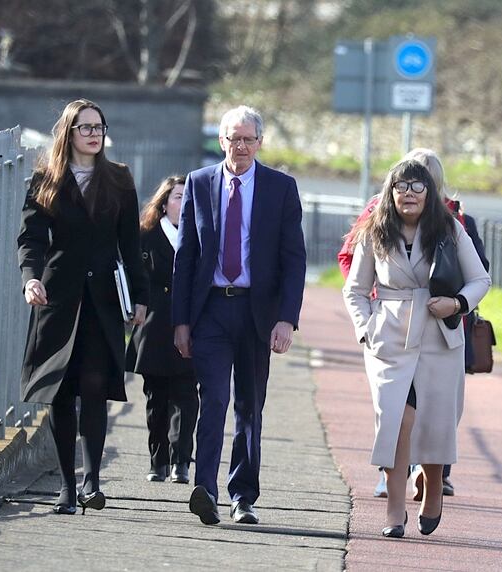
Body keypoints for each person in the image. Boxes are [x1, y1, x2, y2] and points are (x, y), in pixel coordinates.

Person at [172, 105, 306, 526]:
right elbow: (186, 256)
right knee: (213, 398)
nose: (241, 146)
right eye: (234, 138)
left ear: (260, 142)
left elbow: (294, 258)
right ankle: (206, 489)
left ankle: (242, 495)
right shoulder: (199, 183)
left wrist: (286, 318)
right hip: (211, 308)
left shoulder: (280, 188)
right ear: (222, 141)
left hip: (256, 312)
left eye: (249, 139)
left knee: (250, 406)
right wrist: (181, 321)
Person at [343, 159, 491, 538]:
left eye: (417, 186)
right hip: (388, 338)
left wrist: (456, 304)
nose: (409, 192)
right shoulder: (373, 232)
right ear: (390, 193)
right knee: (396, 422)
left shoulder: (450, 230)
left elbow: (480, 279)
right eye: (401, 186)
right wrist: (366, 330)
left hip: (438, 336)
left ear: (430, 192)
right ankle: (394, 510)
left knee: (436, 421)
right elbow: (355, 290)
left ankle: (434, 485)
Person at [17, 98, 149, 515]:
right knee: (60, 389)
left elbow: (131, 244)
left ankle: (92, 479)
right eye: (86, 127)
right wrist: (30, 279)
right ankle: (66, 488)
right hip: (58, 296)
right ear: (68, 133)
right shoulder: (46, 179)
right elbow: (31, 238)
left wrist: (141, 298)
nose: (94, 134)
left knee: (94, 382)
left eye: (99, 127)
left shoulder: (119, 179)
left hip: (105, 299)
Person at [126, 175, 198, 484]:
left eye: (189, 198)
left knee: (186, 396)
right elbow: (131, 276)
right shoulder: (146, 236)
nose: (183, 203)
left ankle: (181, 459)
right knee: (156, 397)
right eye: (179, 197)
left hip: (189, 324)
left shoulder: (201, 237)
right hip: (154, 326)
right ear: (165, 202)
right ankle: (158, 461)